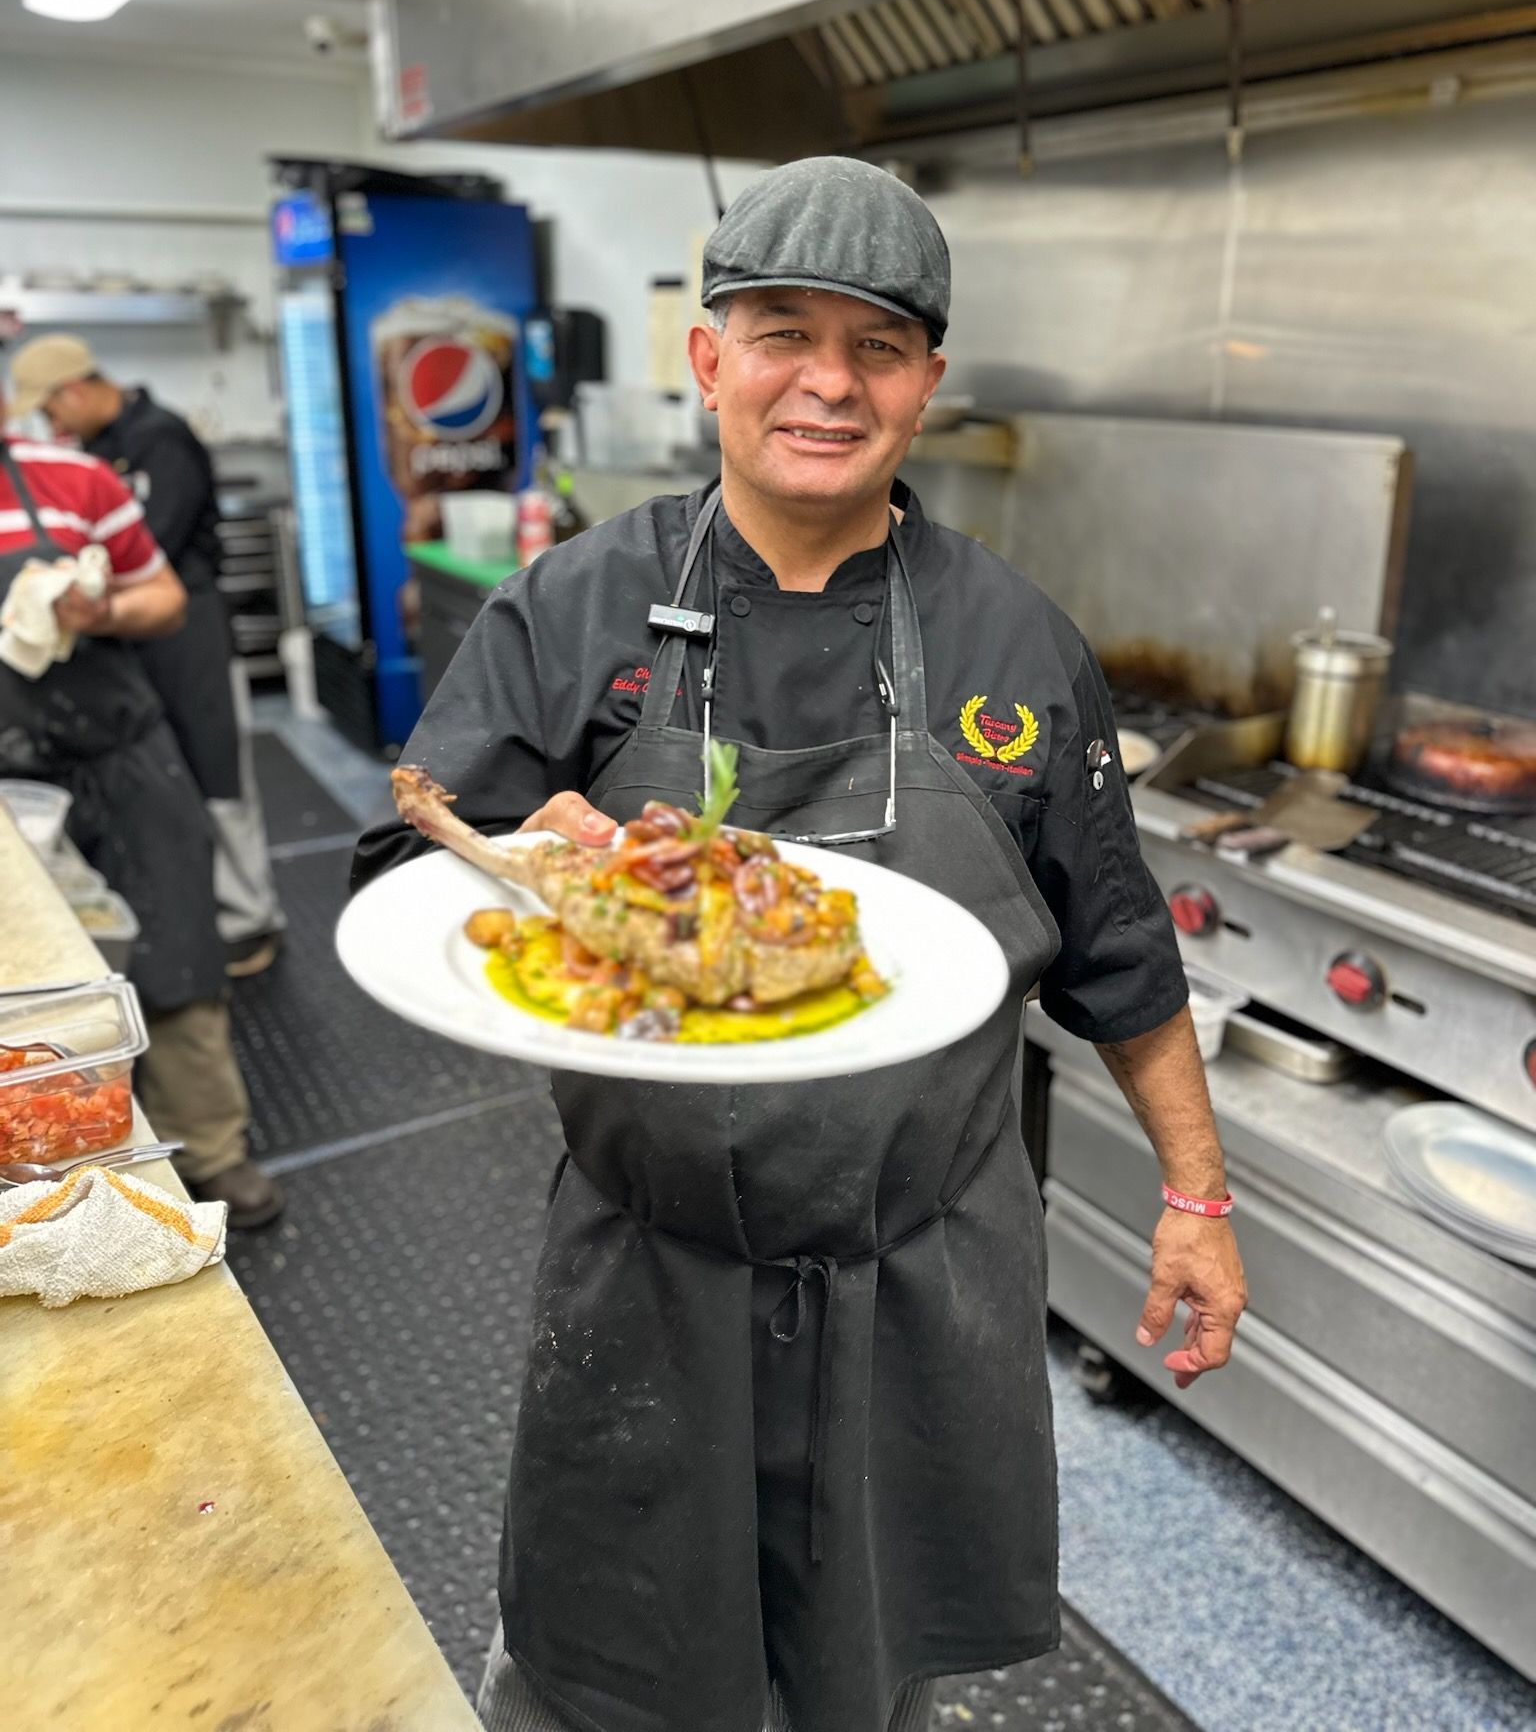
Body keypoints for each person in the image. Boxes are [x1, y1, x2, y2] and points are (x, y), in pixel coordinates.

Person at [354, 157, 1248, 1732]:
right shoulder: (577, 605)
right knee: (597, 1687)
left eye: (879, 345)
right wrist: (560, 850)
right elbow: (410, 859)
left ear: (928, 384)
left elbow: (1120, 949)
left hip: (923, 1279)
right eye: (780, 332)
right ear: (707, 358)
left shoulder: (1014, 642)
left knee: (868, 1689)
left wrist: (1194, 1196)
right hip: (648, 1271)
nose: (827, 383)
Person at [0, 377, 283, 1227]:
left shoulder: (71, 478)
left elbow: (162, 598)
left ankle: (211, 1149)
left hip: (119, 747)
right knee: (29, 981)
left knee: (179, 948)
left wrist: (97, 607)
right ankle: (53, 1187)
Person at [6, 336, 285, 977]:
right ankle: (202, 912)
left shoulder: (160, 437)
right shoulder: (93, 449)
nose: (50, 428)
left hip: (190, 629)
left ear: (72, 390)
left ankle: (250, 918)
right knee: (175, 772)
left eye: (50, 413)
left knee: (218, 767)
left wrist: (80, 586)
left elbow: (145, 547)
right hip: (130, 646)